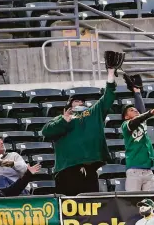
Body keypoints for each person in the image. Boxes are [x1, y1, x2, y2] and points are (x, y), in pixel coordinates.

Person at [41, 51, 124, 196]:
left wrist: (110, 73)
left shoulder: (92, 113)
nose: (79, 103)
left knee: (91, 206)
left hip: (89, 168)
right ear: (68, 106)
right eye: (75, 101)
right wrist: (63, 120)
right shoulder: (62, 118)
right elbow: (46, 132)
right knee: (69, 207)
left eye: (82, 101)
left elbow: (108, 97)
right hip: (67, 169)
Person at [121, 74, 154, 191]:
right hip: (134, 170)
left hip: (148, 170)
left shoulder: (141, 121)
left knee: (151, 202)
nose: (134, 110)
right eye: (130, 110)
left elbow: (140, 113)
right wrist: (150, 113)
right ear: (125, 116)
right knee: (133, 202)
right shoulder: (126, 125)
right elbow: (136, 120)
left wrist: (137, 92)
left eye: (134, 109)